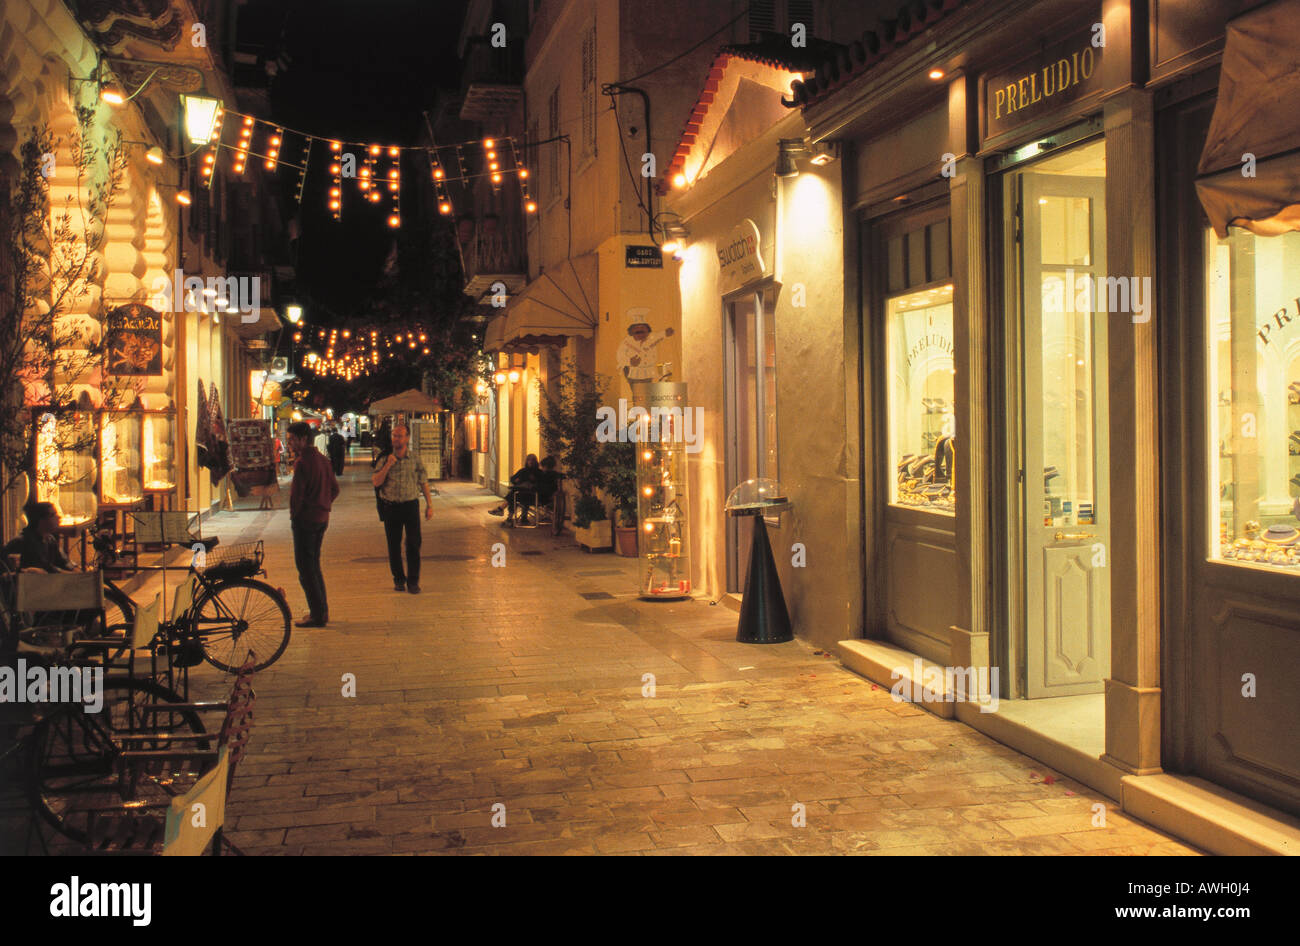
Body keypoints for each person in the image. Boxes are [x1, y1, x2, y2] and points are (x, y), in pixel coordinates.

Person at [287, 421, 339, 628]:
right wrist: (323, 504)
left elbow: (296, 497)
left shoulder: (302, 463)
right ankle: (321, 611)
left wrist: (296, 514)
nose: (289, 443)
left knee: (305, 569)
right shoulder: (323, 460)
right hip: (321, 519)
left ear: (303, 439)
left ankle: (316, 615)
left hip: (305, 521)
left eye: (292, 439)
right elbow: (335, 489)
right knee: (314, 566)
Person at [372, 423, 433, 593]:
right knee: (393, 546)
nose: (395, 439)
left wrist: (429, 505)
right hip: (391, 507)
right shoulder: (384, 458)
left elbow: (423, 481)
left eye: (399, 436)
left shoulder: (415, 459)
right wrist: (388, 466)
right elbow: (376, 481)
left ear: (407, 438)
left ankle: (413, 581)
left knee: (413, 544)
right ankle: (399, 579)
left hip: (410, 505)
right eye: (394, 435)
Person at [2, 502, 74, 572]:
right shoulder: (23, 542)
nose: (59, 517)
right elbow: (48, 570)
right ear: (40, 520)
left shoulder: (50, 539)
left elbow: (65, 563)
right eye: (53, 515)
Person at [488, 454, 541, 524]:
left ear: (535, 462)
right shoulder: (523, 470)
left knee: (513, 496)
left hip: (532, 495)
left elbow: (539, 484)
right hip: (522, 493)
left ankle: (504, 512)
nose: (530, 462)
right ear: (527, 461)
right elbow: (512, 478)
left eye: (532, 460)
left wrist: (533, 481)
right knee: (513, 496)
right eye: (529, 460)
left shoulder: (538, 472)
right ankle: (512, 516)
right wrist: (516, 481)